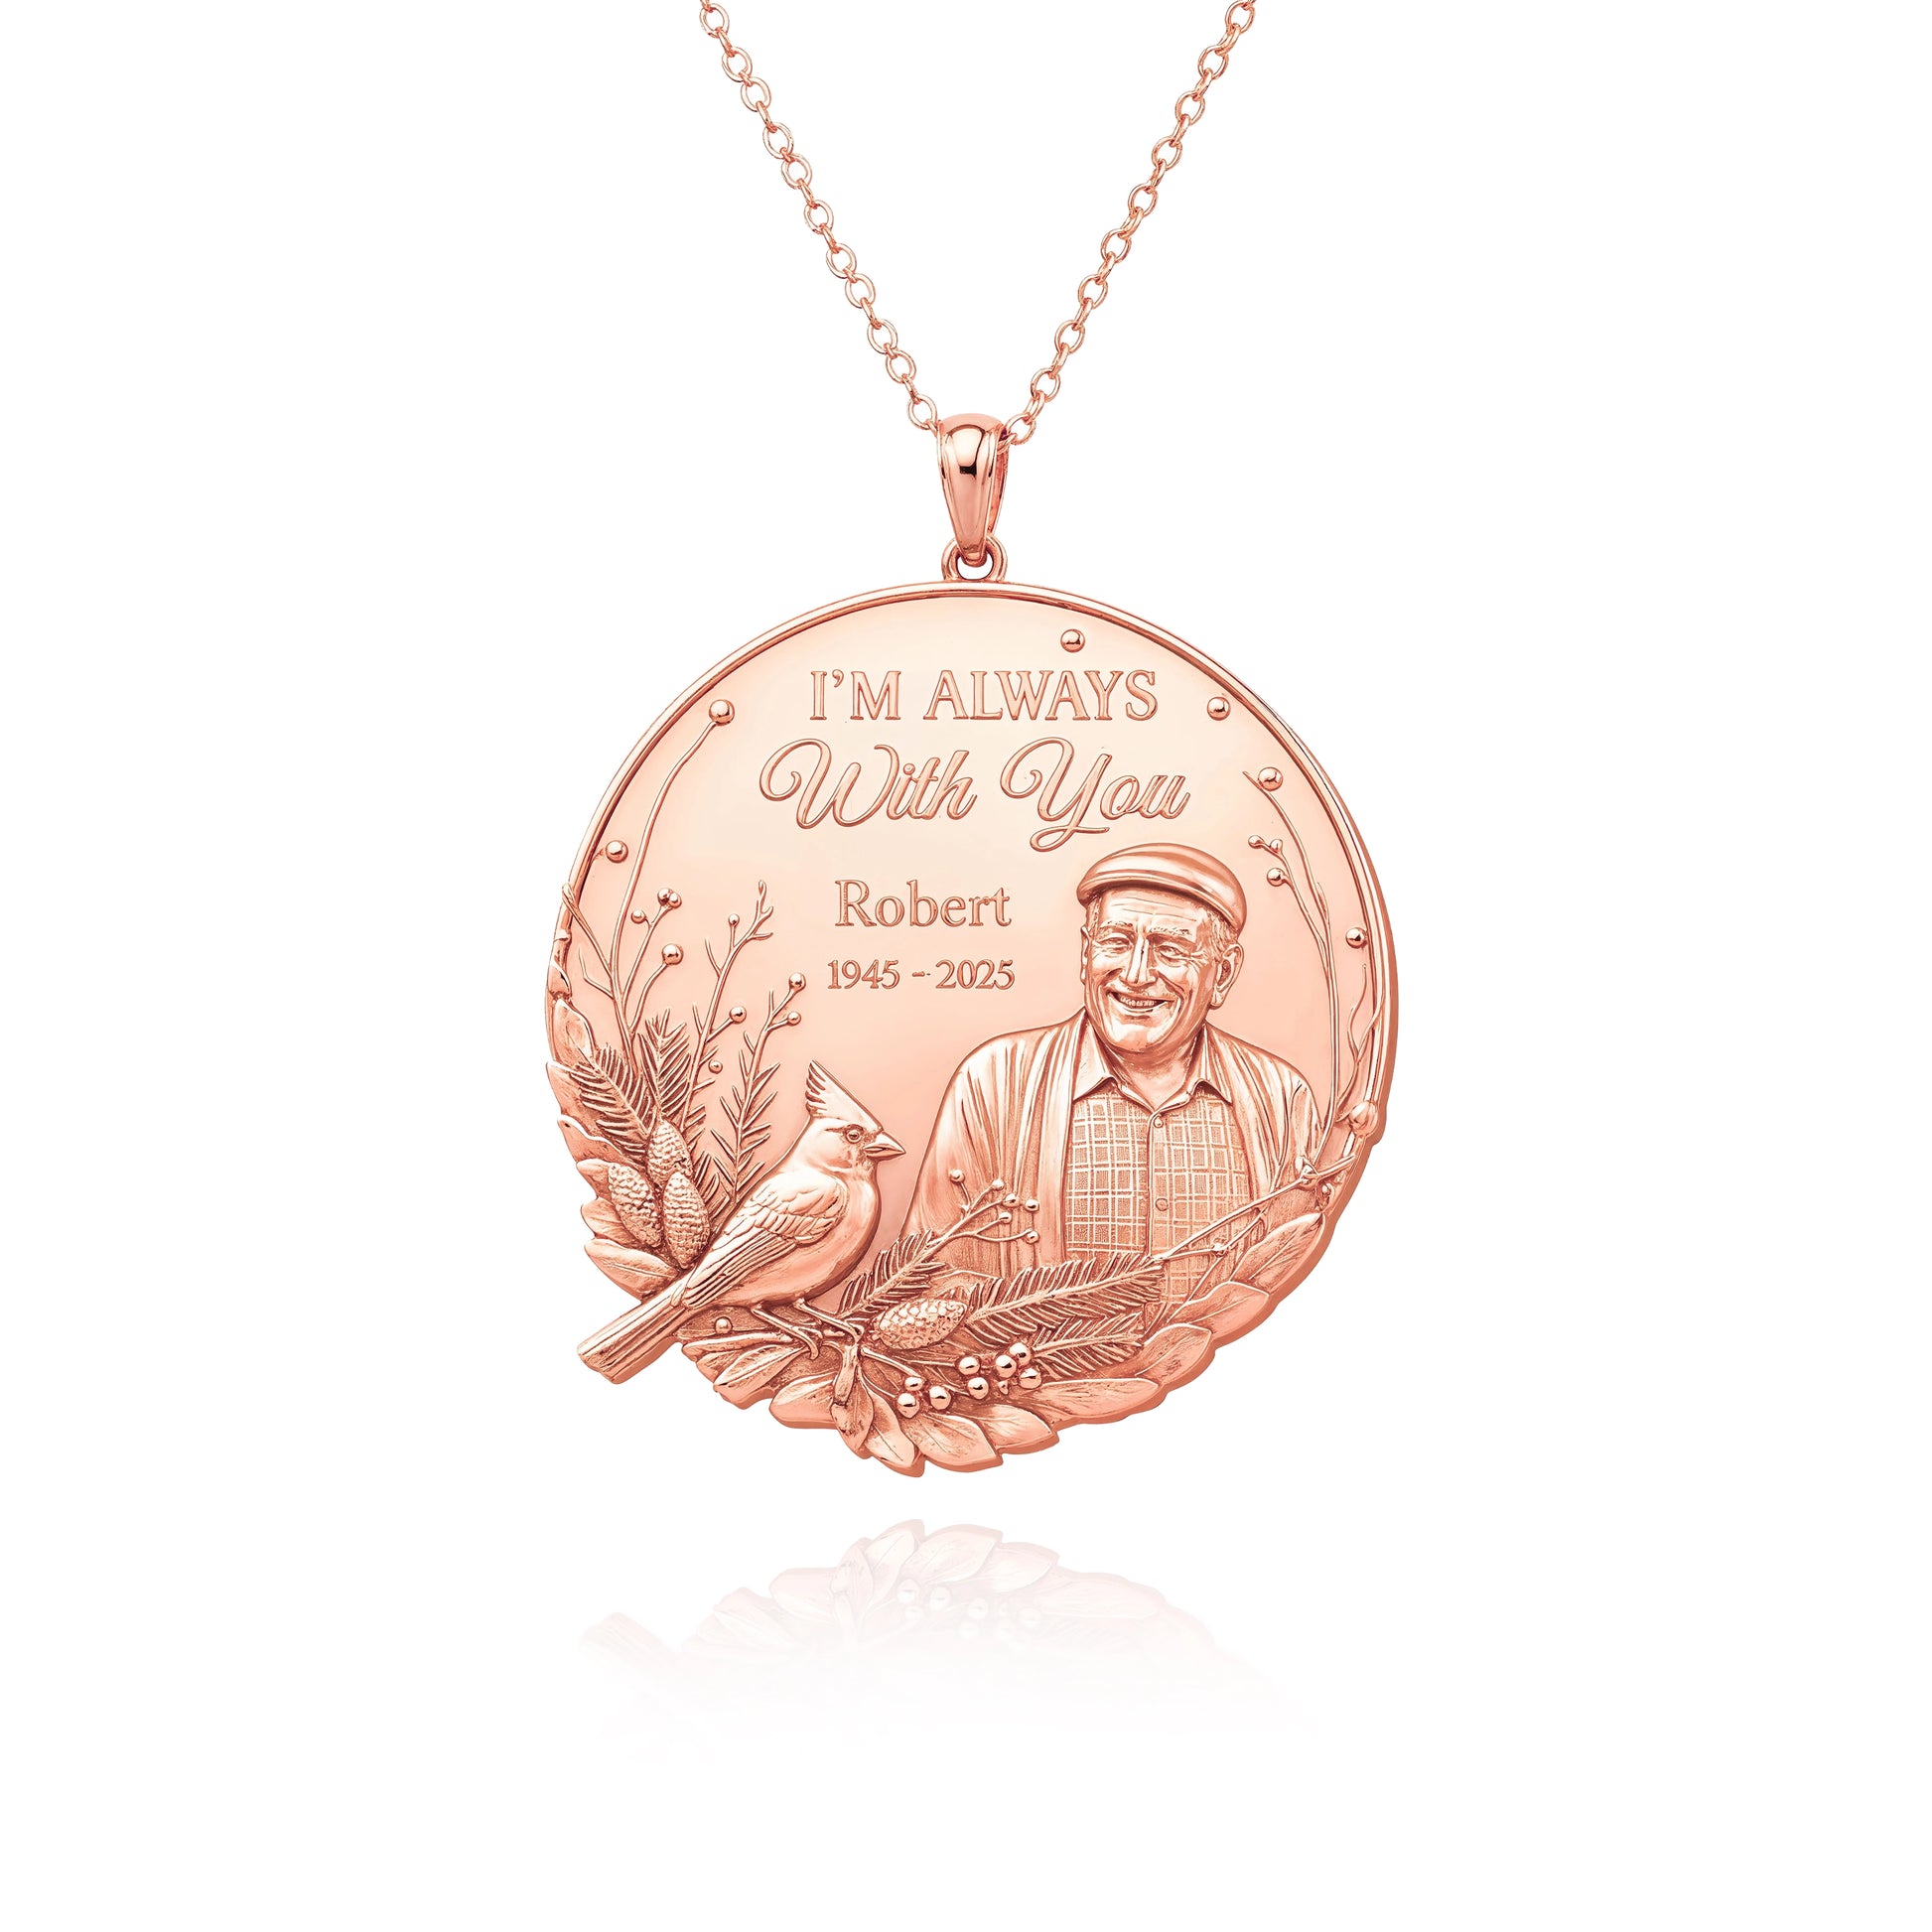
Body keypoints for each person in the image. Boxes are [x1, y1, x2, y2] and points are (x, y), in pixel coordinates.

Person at [906, 844, 1316, 1293]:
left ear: (1223, 974)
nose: (1136, 974)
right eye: (1116, 942)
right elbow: (923, 1282)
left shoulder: (1280, 1098)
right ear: (1086, 953)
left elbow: (1298, 1275)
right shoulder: (995, 1082)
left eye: (1171, 950)